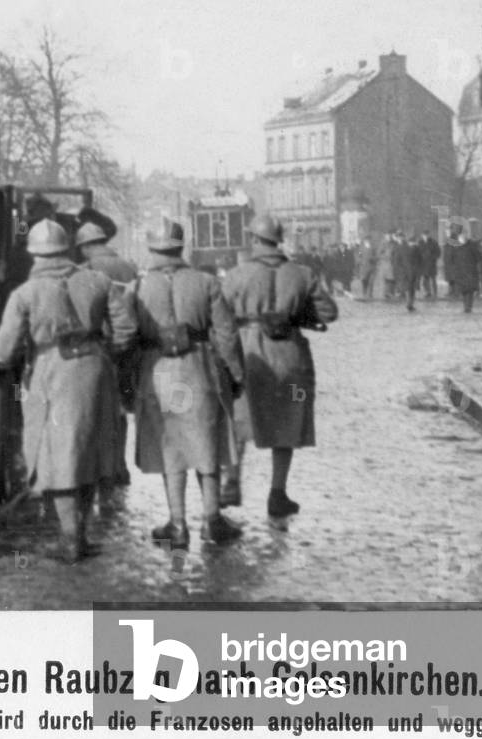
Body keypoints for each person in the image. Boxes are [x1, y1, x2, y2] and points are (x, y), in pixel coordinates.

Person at [0, 219, 137, 563]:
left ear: (34, 255)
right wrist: (105, 353)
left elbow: (4, 351)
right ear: (68, 248)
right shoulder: (98, 281)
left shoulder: (24, 294)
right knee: (90, 449)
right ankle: (81, 530)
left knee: (61, 454)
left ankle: (71, 537)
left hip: (53, 372)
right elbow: (126, 329)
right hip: (97, 370)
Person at [131, 220, 244, 548]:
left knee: (171, 446)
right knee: (207, 442)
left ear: (152, 249)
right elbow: (226, 334)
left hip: (158, 372)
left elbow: (128, 335)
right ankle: (212, 519)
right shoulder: (207, 283)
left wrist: (129, 378)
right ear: (182, 247)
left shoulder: (138, 288)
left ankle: (177, 523)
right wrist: (236, 374)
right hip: (199, 368)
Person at [221, 215, 338, 517]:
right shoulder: (302, 273)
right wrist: (300, 315)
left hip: (250, 354)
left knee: (238, 417)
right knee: (290, 414)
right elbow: (329, 312)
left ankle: (232, 482)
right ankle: (278, 493)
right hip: (291, 356)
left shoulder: (236, 275)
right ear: (278, 239)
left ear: (255, 239)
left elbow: (220, 316)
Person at [74, 213, 138, 501]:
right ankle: (120, 464)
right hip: (127, 347)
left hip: (97, 349)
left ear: (85, 246)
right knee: (122, 409)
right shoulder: (128, 266)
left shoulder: (84, 269)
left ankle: (100, 467)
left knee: (95, 410)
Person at [449, 219, 482, 314]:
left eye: (464, 235)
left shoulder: (471, 245)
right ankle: (466, 306)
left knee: (470, 290)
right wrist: (454, 269)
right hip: (460, 271)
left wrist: (477, 266)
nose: (463, 237)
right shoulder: (455, 246)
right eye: (461, 235)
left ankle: (468, 307)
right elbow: (451, 259)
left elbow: (478, 257)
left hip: (470, 271)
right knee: (463, 290)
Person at [392, 233, 422, 312]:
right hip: (409, 272)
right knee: (410, 289)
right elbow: (420, 261)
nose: (412, 243)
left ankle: (410, 304)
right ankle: (409, 304)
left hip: (408, 272)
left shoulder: (405, 248)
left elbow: (397, 261)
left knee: (410, 288)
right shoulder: (414, 248)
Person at [418, 230, 441, 299]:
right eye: (424, 235)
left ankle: (435, 293)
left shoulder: (433, 242)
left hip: (431, 264)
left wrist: (433, 258)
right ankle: (428, 292)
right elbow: (418, 252)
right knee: (425, 279)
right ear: (422, 235)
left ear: (429, 235)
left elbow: (438, 252)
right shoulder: (420, 242)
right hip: (423, 264)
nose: (425, 236)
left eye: (426, 235)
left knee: (433, 279)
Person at [379, 233, 396, 299]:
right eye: (387, 236)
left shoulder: (393, 244)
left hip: (391, 264)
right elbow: (379, 253)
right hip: (384, 264)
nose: (388, 238)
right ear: (385, 237)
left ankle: (390, 293)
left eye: (389, 236)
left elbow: (394, 252)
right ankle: (385, 293)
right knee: (385, 279)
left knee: (391, 279)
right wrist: (385, 256)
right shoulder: (382, 244)